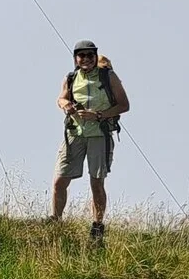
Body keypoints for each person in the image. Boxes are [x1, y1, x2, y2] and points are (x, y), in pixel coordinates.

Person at [52, 40, 130, 242]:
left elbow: (124, 105)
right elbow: (60, 98)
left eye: (90, 55)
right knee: (60, 180)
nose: (85, 59)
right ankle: (55, 221)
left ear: (95, 57)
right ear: (76, 59)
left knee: (96, 182)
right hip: (74, 134)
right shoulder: (71, 78)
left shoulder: (108, 77)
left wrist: (99, 115)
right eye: (81, 55)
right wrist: (66, 104)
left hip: (99, 135)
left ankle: (97, 225)